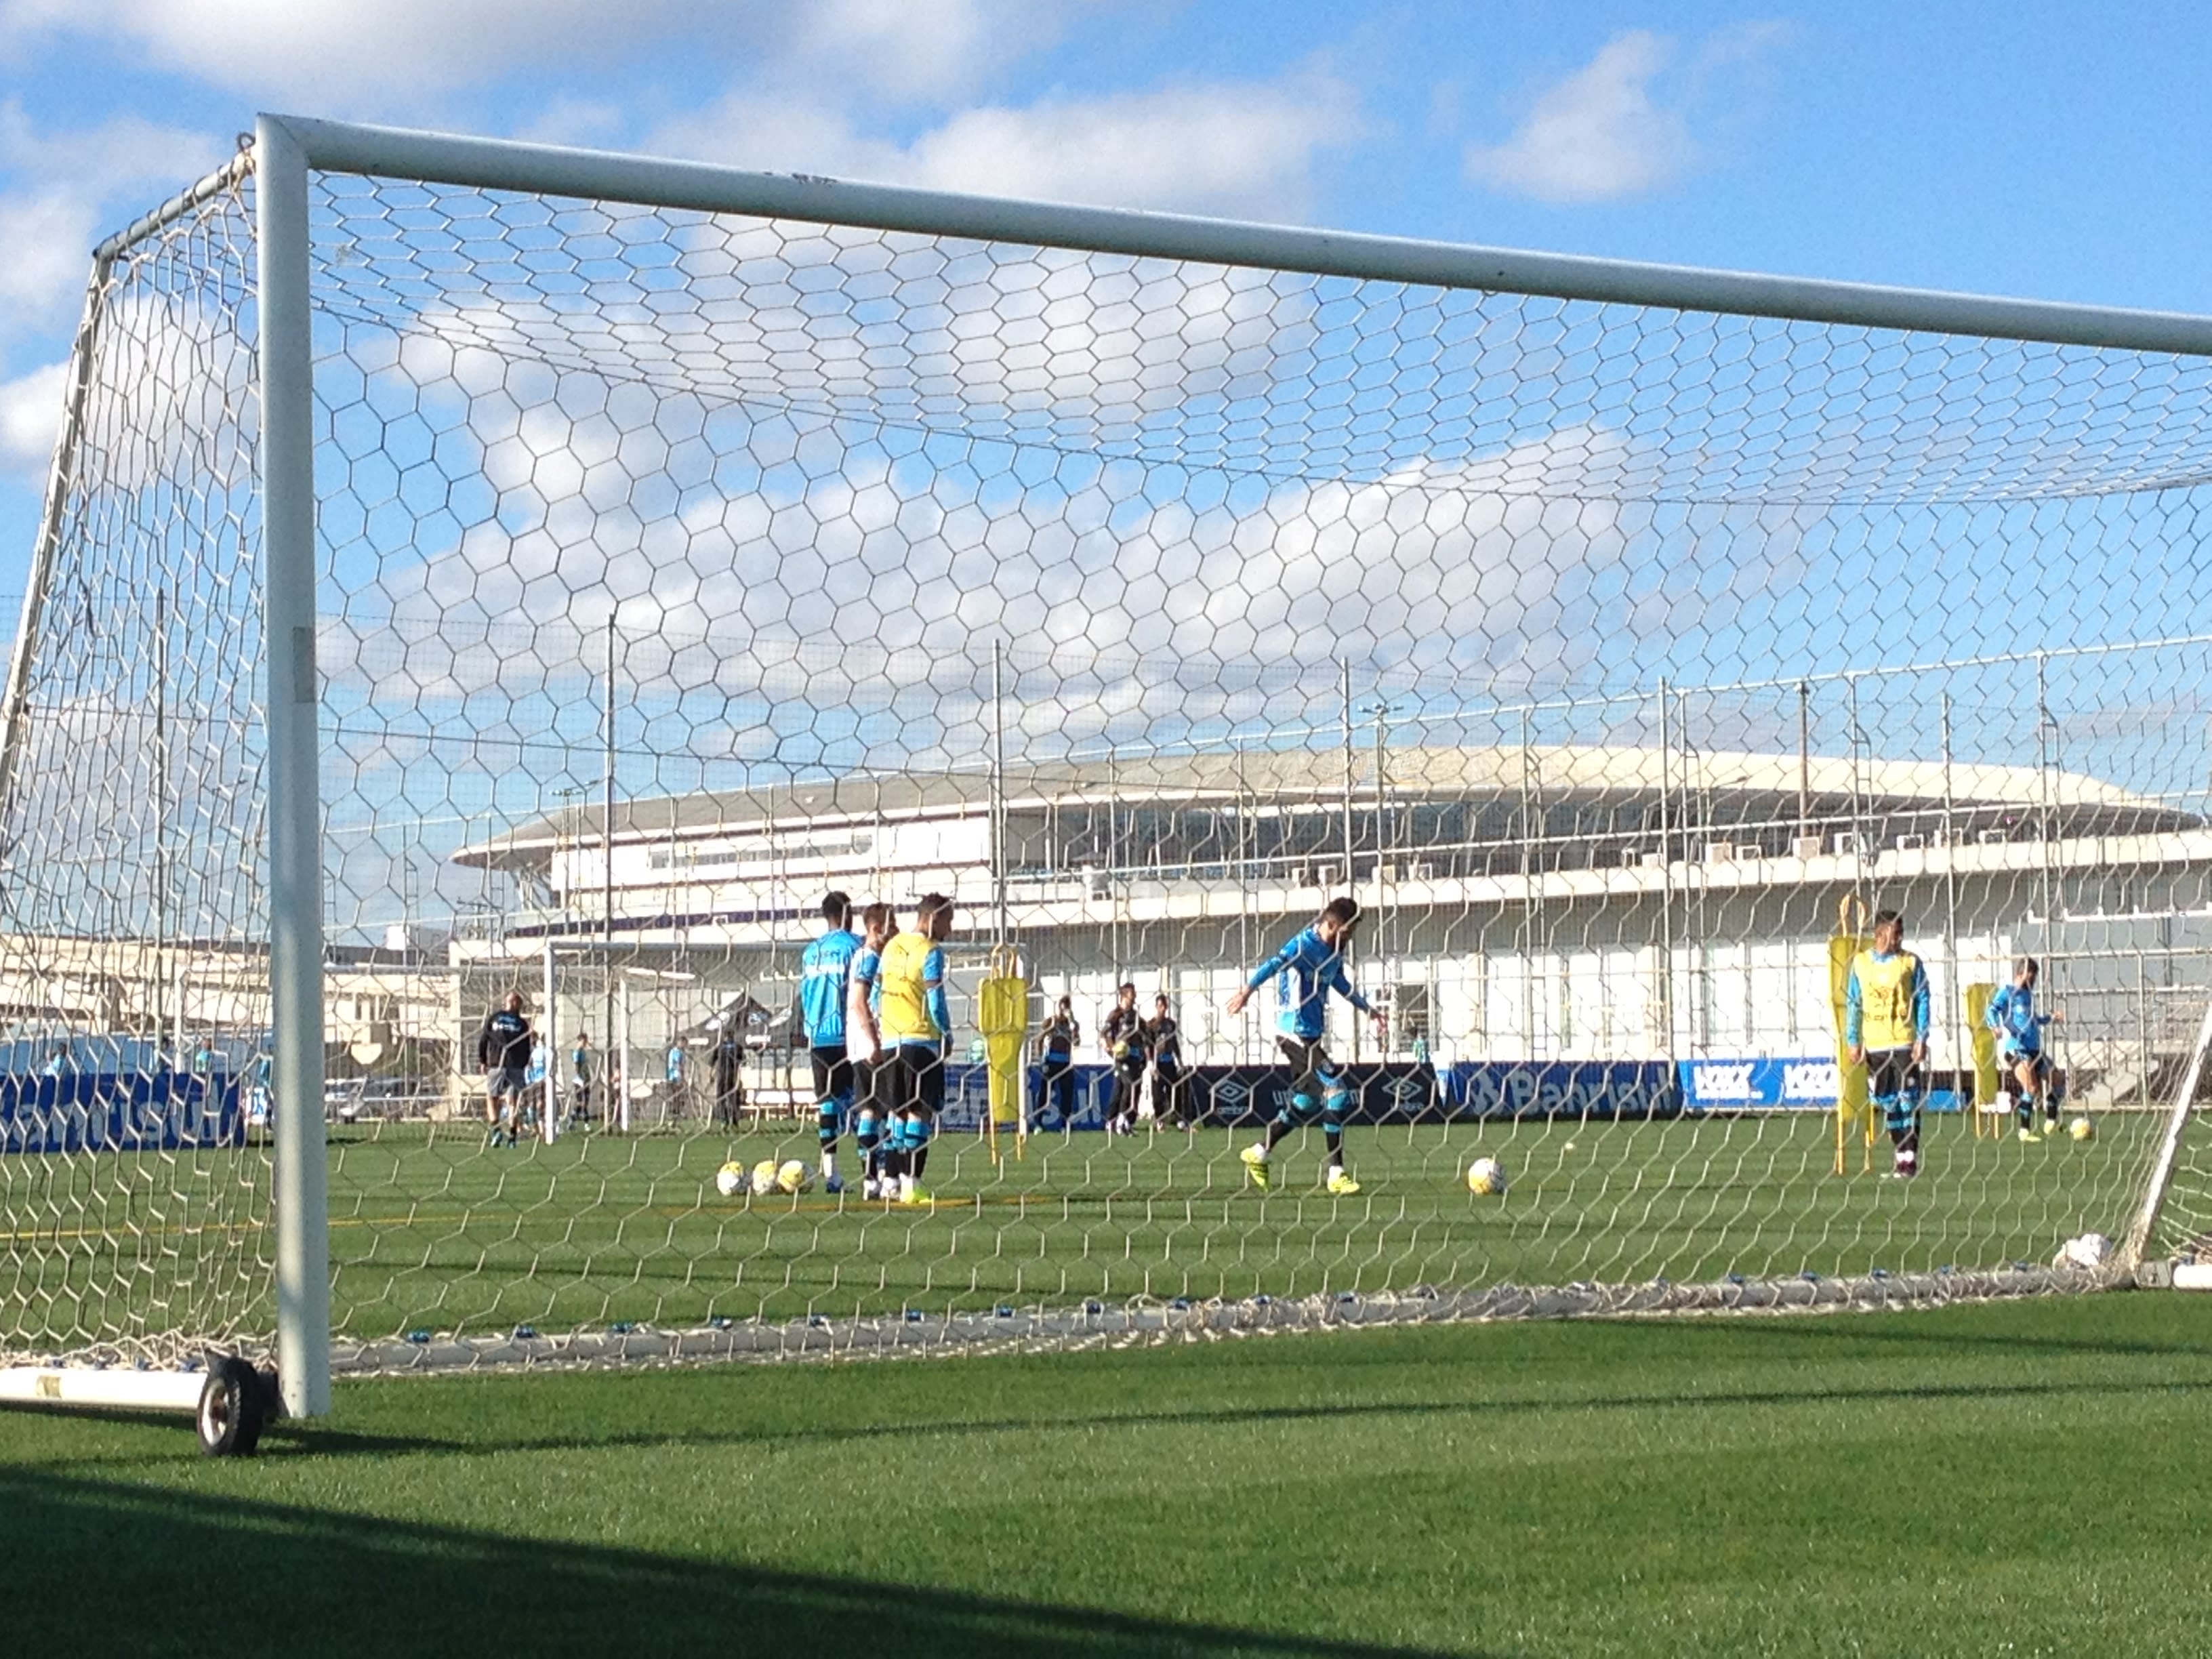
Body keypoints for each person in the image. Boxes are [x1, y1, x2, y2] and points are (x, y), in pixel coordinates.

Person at [1225, 897, 1386, 1195]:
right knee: (1337, 1093)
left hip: (1311, 1033)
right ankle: (1336, 1174)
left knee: (1307, 1102)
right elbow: (1274, 963)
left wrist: (1368, 1009)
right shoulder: (1303, 945)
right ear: (1330, 924)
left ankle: (1259, 1153)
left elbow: (1339, 982)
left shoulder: (1335, 951)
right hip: (1294, 1032)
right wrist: (1247, 990)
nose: (1348, 938)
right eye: (1346, 932)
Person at [877, 893, 955, 1206]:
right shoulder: (931, 951)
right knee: (918, 1114)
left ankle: (891, 1181)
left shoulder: (892, 946)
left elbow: (875, 993)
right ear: (934, 918)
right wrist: (946, 1033)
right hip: (920, 1040)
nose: (949, 930)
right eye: (948, 921)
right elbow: (935, 1000)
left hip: (890, 1042)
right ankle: (913, 1185)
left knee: (897, 1113)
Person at [1845, 907, 1932, 1179]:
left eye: (1902, 934)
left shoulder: (1911, 963)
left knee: (1909, 1100)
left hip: (1904, 1042)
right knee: (1889, 1102)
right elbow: (1854, 1003)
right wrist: (1853, 1040)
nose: (1899, 940)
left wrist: (1922, 1037)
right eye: (1896, 934)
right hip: (1876, 1046)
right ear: (1880, 934)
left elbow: (1923, 1000)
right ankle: (1900, 1158)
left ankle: (1910, 1159)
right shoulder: (1860, 963)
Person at [798, 892, 859, 1193]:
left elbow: (805, 995)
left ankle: (832, 1176)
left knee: (828, 1107)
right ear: (847, 913)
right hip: (848, 1036)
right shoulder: (854, 947)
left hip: (817, 1036)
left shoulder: (811, 952)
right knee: (865, 1104)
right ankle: (874, 1175)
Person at [1987, 955, 2063, 1141]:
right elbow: (1991, 1009)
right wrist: (1994, 1026)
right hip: (2016, 1049)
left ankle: (2051, 1122)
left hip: (2034, 1049)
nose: (2034, 982)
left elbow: (2033, 1020)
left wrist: (2051, 1018)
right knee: (2031, 1087)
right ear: (2023, 973)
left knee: (2058, 1079)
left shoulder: (2028, 995)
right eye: (2032, 977)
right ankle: (2024, 1132)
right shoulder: (2007, 992)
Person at [847, 902, 895, 1197]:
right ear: (876, 929)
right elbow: (859, 1001)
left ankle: (871, 1180)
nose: (896, 932)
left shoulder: (863, 957)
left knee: (870, 1110)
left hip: (857, 1045)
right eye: (892, 927)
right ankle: (885, 1177)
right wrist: (874, 1041)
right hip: (870, 1044)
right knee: (885, 1110)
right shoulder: (868, 958)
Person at [476, 991, 532, 1148]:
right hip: (510, 1066)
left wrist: (483, 1060)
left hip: (501, 1066)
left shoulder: (497, 1018)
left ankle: (499, 1131)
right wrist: (524, 1064)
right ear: (513, 1003)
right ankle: (509, 1136)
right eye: (516, 1002)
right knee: (511, 1102)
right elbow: (527, 1047)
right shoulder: (520, 1023)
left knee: (496, 1099)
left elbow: (483, 1040)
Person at [1100, 983, 1146, 1134]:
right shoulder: (1116, 1014)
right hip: (1122, 1058)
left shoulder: (1136, 1016)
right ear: (1125, 995)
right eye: (1132, 994)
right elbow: (1103, 1034)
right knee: (1129, 1086)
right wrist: (1111, 1048)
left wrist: (1145, 1057)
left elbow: (1144, 1037)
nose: (1135, 997)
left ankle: (1114, 1122)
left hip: (1135, 1058)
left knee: (1120, 1090)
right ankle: (1121, 1121)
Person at [1033, 994, 1078, 1131]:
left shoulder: (1072, 1024)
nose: (1065, 1011)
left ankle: (1064, 1124)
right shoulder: (1052, 1021)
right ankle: (1038, 1123)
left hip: (1066, 1063)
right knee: (1045, 1093)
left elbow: (1077, 1042)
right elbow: (1039, 1039)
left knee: (1067, 1095)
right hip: (1051, 1062)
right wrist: (1041, 1059)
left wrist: (1073, 1027)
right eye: (1063, 1007)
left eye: (1067, 1007)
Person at [1145, 994, 1188, 1128]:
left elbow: (1174, 1043)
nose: (1161, 1009)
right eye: (1159, 1006)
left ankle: (1178, 1120)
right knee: (1157, 1094)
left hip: (1169, 1062)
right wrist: (1151, 1063)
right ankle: (1159, 1120)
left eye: (1163, 1006)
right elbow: (1147, 1045)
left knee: (1174, 1092)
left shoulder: (1171, 1024)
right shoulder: (1151, 1025)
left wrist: (1179, 1061)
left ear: (1167, 1007)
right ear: (1156, 1007)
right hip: (1158, 1064)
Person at [711, 1025, 744, 1127]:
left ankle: (734, 1119)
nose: (728, 1038)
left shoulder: (737, 1047)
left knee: (733, 1098)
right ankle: (724, 1119)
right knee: (722, 1098)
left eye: (730, 1036)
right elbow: (713, 1062)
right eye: (727, 1036)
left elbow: (741, 1063)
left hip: (732, 1076)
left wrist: (739, 1078)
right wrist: (712, 1075)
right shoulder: (719, 1047)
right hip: (722, 1076)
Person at [568, 1030, 594, 1132]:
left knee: (585, 1102)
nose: (586, 1043)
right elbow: (576, 1066)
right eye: (584, 1041)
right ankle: (586, 1123)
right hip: (580, 1081)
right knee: (581, 1102)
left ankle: (573, 1120)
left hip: (586, 1079)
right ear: (580, 1041)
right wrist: (580, 1077)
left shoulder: (583, 1051)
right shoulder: (577, 1052)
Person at [663, 1038, 689, 1124]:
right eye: (684, 1043)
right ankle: (674, 1115)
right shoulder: (676, 1052)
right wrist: (682, 1078)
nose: (685, 1045)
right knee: (677, 1096)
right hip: (675, 1077)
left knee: (677, 1097)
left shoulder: (677, 1052)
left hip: (673, 1077)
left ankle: (676, 1115)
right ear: (679, 1042)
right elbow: (678, 1065)